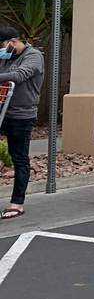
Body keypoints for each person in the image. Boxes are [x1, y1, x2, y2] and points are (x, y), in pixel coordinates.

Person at [0, 27, 44, 219]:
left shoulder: (33, 56)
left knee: (19, 157)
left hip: (21, 115)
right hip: (3, 111)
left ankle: (17, 203)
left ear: (14, 41)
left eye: (1, 46)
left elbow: (19, 75)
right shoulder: (5, 57)